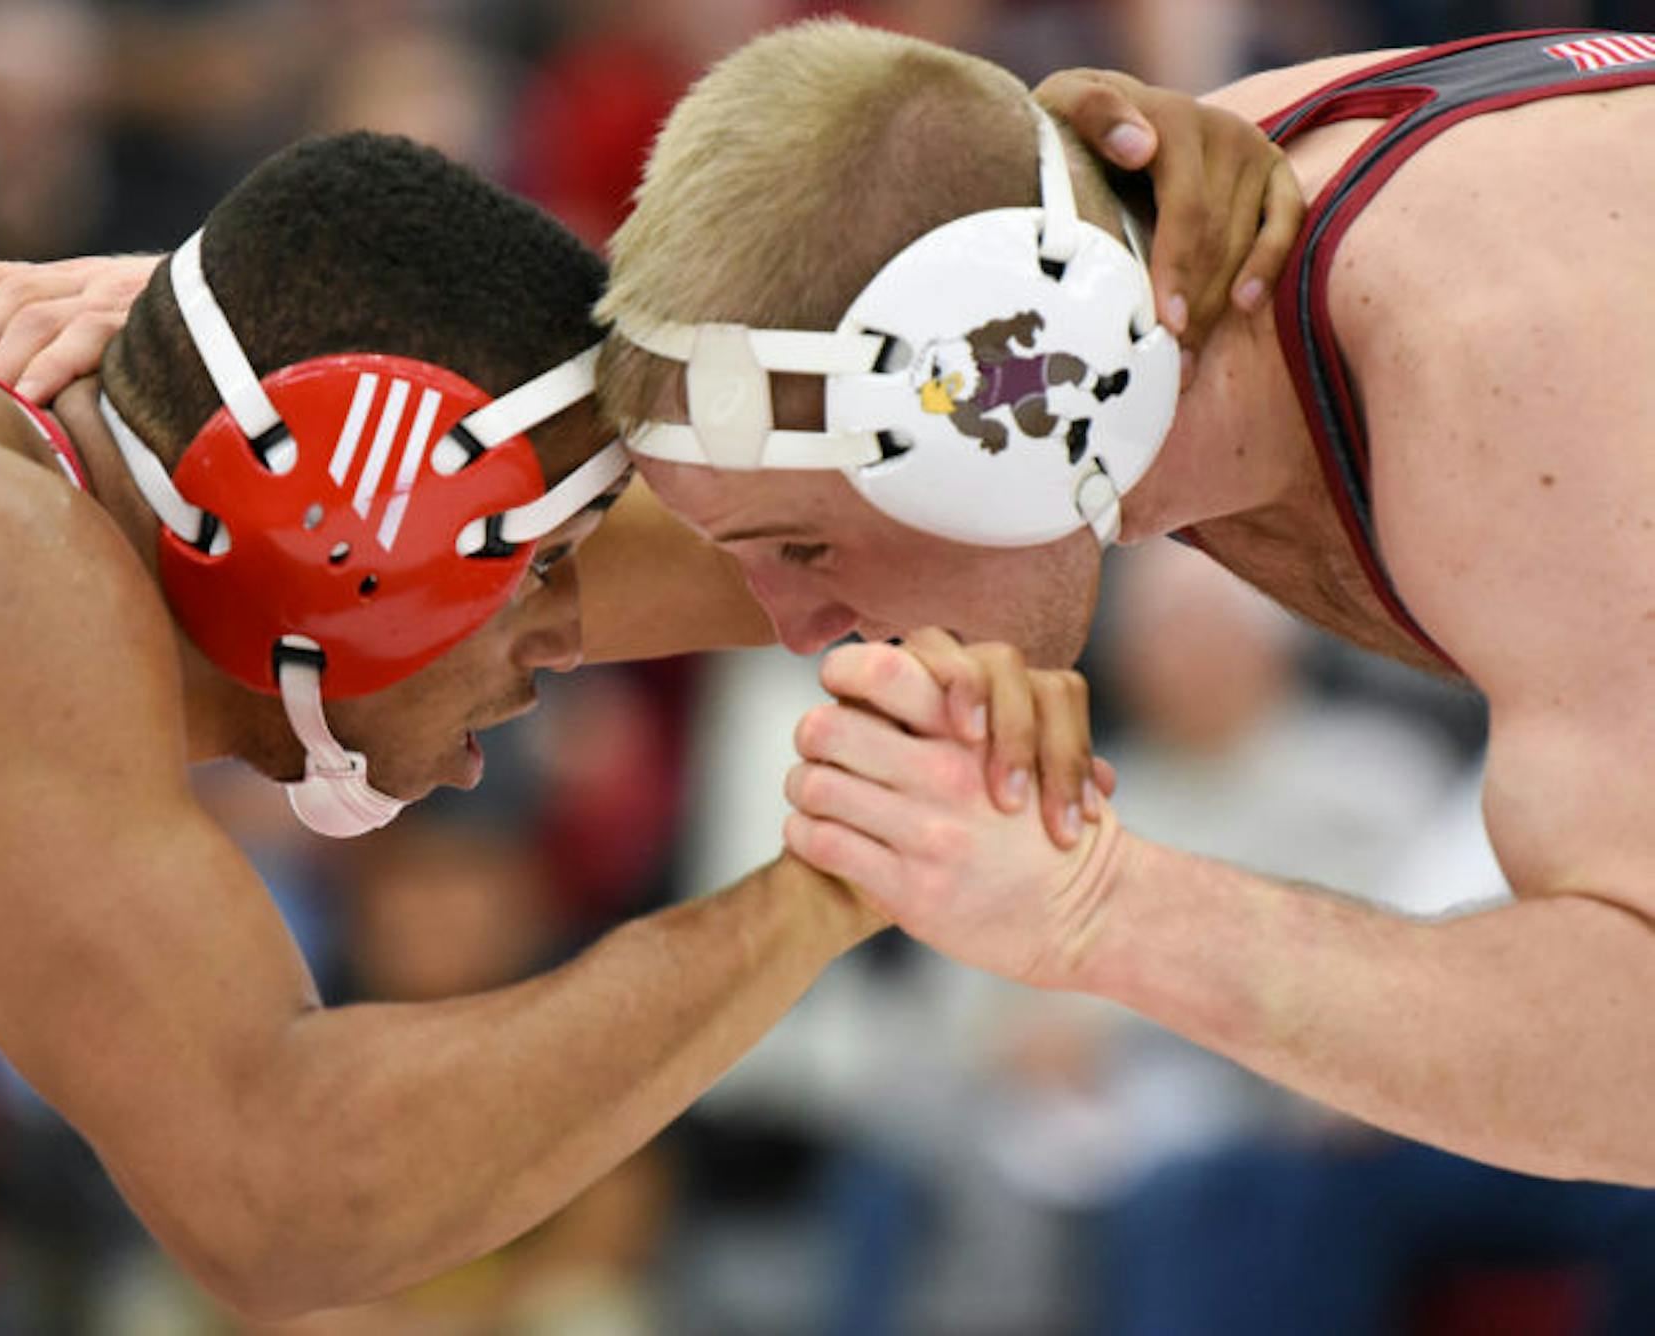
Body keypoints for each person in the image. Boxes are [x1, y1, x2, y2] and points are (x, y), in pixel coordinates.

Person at [0, 82, 1296, 1316]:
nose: (576, 645)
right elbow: (281, 1204)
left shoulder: (38, 524)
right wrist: (824, 891)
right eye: (553, 573)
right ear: (356, 516)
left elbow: (953, 556)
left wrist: (1073, 238)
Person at [588, 21, 1655, 1186]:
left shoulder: (1497, 351)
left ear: (1001, 409)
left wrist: (1102, 910)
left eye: (802, 546)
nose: (792, 630)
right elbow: (534, 580)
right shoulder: (1111, 314)